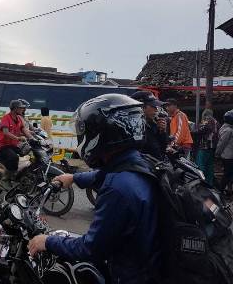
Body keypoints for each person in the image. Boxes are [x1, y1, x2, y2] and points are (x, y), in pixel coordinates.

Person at [28, 94, 160, 284]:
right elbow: (106, 174)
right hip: (148, 262)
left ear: (102, 134)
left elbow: (91, 248)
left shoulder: (118, 189)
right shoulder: (142, 162)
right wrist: (73, 178)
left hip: (130, 275)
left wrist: (46, 241)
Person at [0, 100, 34, 179]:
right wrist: (18, 138)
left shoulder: (19, 119)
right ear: (15, 109)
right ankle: (7, 176)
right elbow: (6, 132)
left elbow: (24, 130)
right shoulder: (6, 118)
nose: (22, 110)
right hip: (4, 146)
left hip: (13, 145)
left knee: (26, 155)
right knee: (14, 158)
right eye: (20, 108)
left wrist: (32, 137)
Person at [131, 91, 169, 160]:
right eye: (153, 106)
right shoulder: (132, 129)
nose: (156, 110)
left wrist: (162, 132)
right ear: (141, 107)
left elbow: (161, 149)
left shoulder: (153, 125)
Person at [194, 108, 218, 185]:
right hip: (213, 148)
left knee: (201, 166)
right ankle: (209, 184)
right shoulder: (216, 122)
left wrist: (193, 130)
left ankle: (201, 183)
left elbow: (199, 131)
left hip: (204, 147)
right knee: (210, 167)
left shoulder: (206, 120)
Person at [216, 110, 233, 195]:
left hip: (228, 155)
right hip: (228, 156)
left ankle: (226, 190)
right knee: (227, 174)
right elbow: (221, 143)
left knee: (229, 174)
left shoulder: (227, 128)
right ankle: (220, 190)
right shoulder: (228, 130)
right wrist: (217, 154)